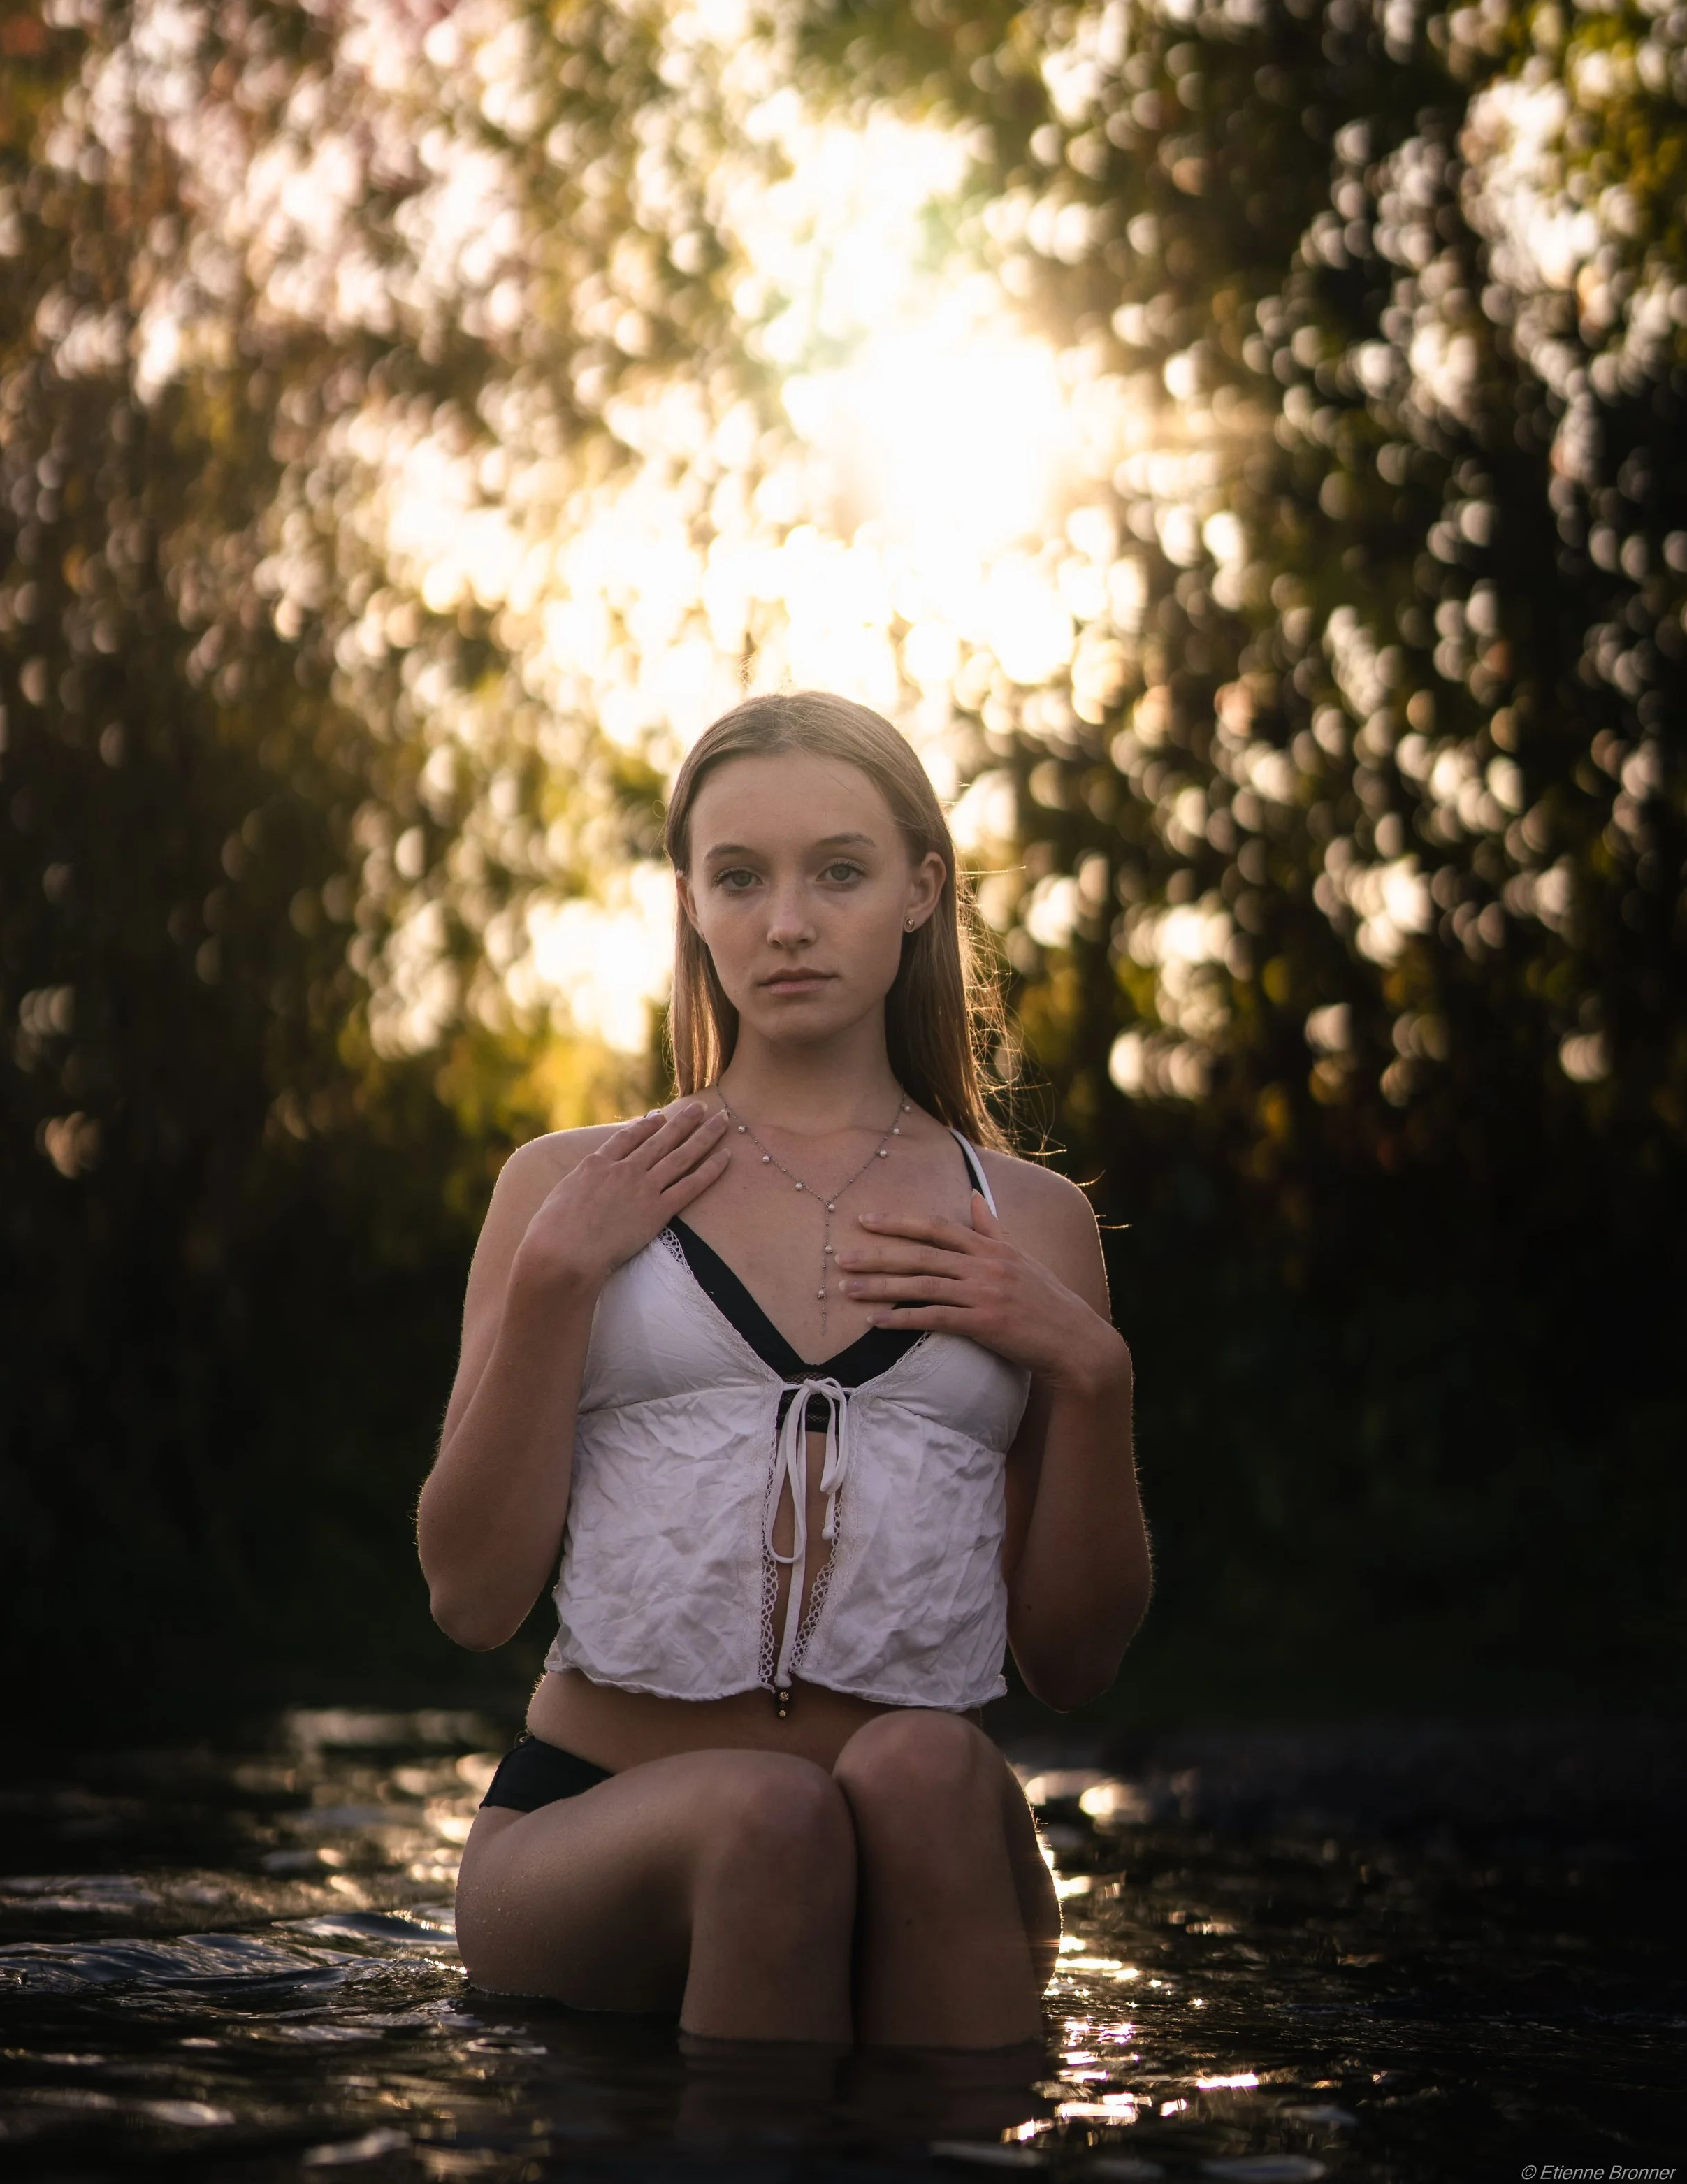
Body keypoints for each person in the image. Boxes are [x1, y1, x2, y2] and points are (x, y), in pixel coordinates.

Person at [417, 690, 1150, 2055]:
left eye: (839, 871)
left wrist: (1093, 1375)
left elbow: (1072, 1661)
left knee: (924, 1761)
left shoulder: (1033, 1221)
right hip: (590, 1824)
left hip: (927, 1838)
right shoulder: (564, 1188)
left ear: (921, 888)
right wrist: (555, 1281)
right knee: (771, 1813)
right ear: (691, 901)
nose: (788, 921)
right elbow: (469, 1596)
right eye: (741, 877)